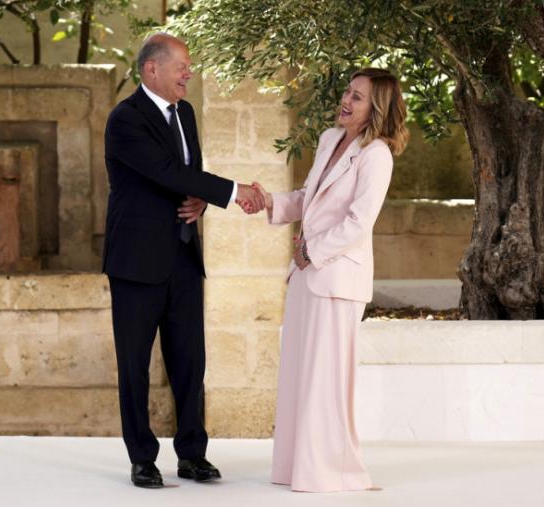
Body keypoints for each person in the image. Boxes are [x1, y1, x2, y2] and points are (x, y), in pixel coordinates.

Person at [102, 33, 264, 489]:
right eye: (181, 67)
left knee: (191, 362)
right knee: (134, 366)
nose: (189, 74)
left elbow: (187, 176)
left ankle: (193, 454)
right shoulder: (125, 119)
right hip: (137, 262)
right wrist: (233, 192)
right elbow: (165, 172)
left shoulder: (185, 113)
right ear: (151, 69)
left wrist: (203, 201)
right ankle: (142, 458)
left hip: (184, 256)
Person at [249, 68, 408, 492]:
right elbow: (308, 199)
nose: (346, 100)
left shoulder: (377, 155)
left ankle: (330, 471)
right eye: (347, 91)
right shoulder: (329, 139)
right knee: (299, 373)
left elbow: (359, 222)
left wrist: (311, 251)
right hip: (307, 274)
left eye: (357, 97)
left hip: (337, 278)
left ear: (376, 108)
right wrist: (270, 202)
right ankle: (295, 468)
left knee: (325, 379)